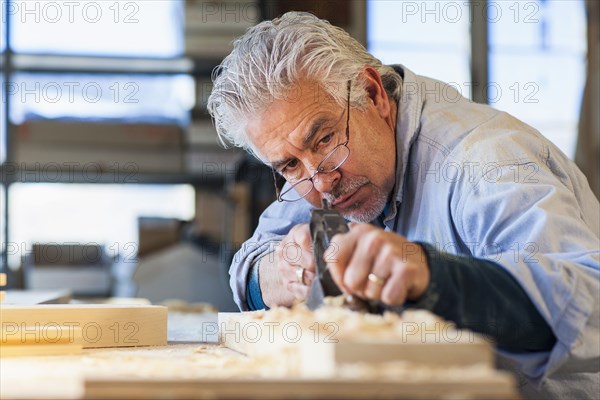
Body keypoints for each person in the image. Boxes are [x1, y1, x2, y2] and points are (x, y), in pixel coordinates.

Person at [207, 12, 599, 399]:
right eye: (290, 165)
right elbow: (252, 260)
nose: (322, 182)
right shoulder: (318, 173)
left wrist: (433, 277)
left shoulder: (486, 161)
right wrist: (274, 274)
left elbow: (589, 304)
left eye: (324, 140)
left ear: (374, 95)